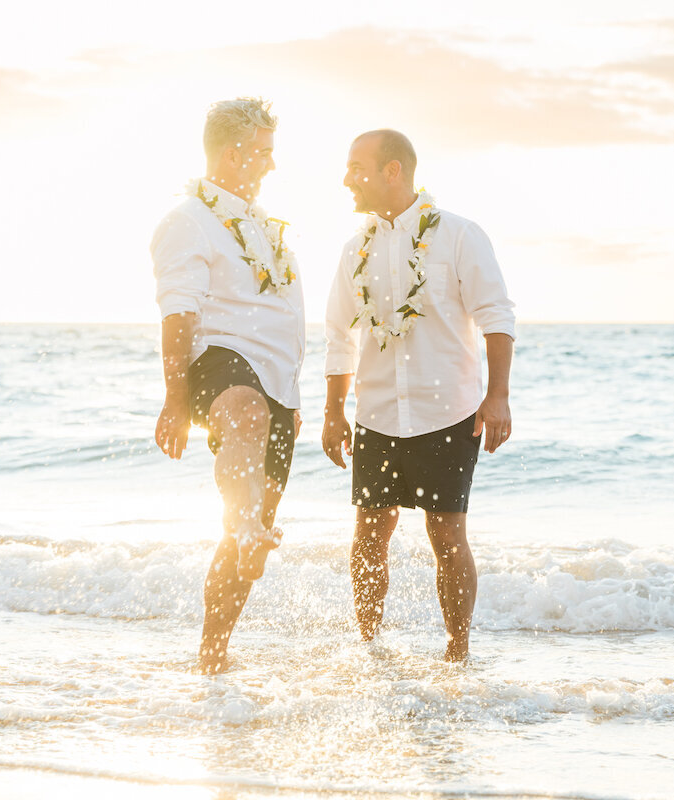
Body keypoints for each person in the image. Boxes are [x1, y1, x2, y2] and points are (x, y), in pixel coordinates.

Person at [321, 129, 515, 662]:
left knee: (446, 534)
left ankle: (458, 652)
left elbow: (497, 316)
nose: (346, 179)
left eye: (356, 167)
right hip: (377, 413)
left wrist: (497, 397)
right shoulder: (353, 249)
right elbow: (339, 333)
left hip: (446, 412)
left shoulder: (457, 235)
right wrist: (334, 410)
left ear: (392, 171)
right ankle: (369, 647)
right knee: (369, 535)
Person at [151, 98, 305, 675]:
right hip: (219, 362)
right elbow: (178, 311)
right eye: (263, 153)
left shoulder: (266, 225)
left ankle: (212, 653)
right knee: (244, 411)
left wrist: (294, 396)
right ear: (232, 152)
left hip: (277, 384)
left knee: (250, 548)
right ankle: (241, 524)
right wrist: (172, 400)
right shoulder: (187, 220)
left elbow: (288, 313)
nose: (269, 164)